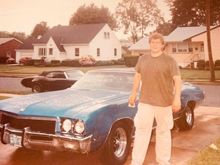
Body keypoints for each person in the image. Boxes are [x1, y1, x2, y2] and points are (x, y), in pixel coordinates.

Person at [128, 32, 182, 165]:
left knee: (163, 132)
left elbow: (177, 80)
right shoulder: (143, 59)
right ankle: (136, 162)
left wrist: (177, 99)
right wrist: (133, 93)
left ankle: (163, 161)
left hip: (164, 103)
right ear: (149, 44)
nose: (155, 44)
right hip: (145, 102)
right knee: (141, 131)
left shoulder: (170, 60)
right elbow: (137, 77)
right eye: (152, 42)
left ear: (163, 45)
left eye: (158, 42)